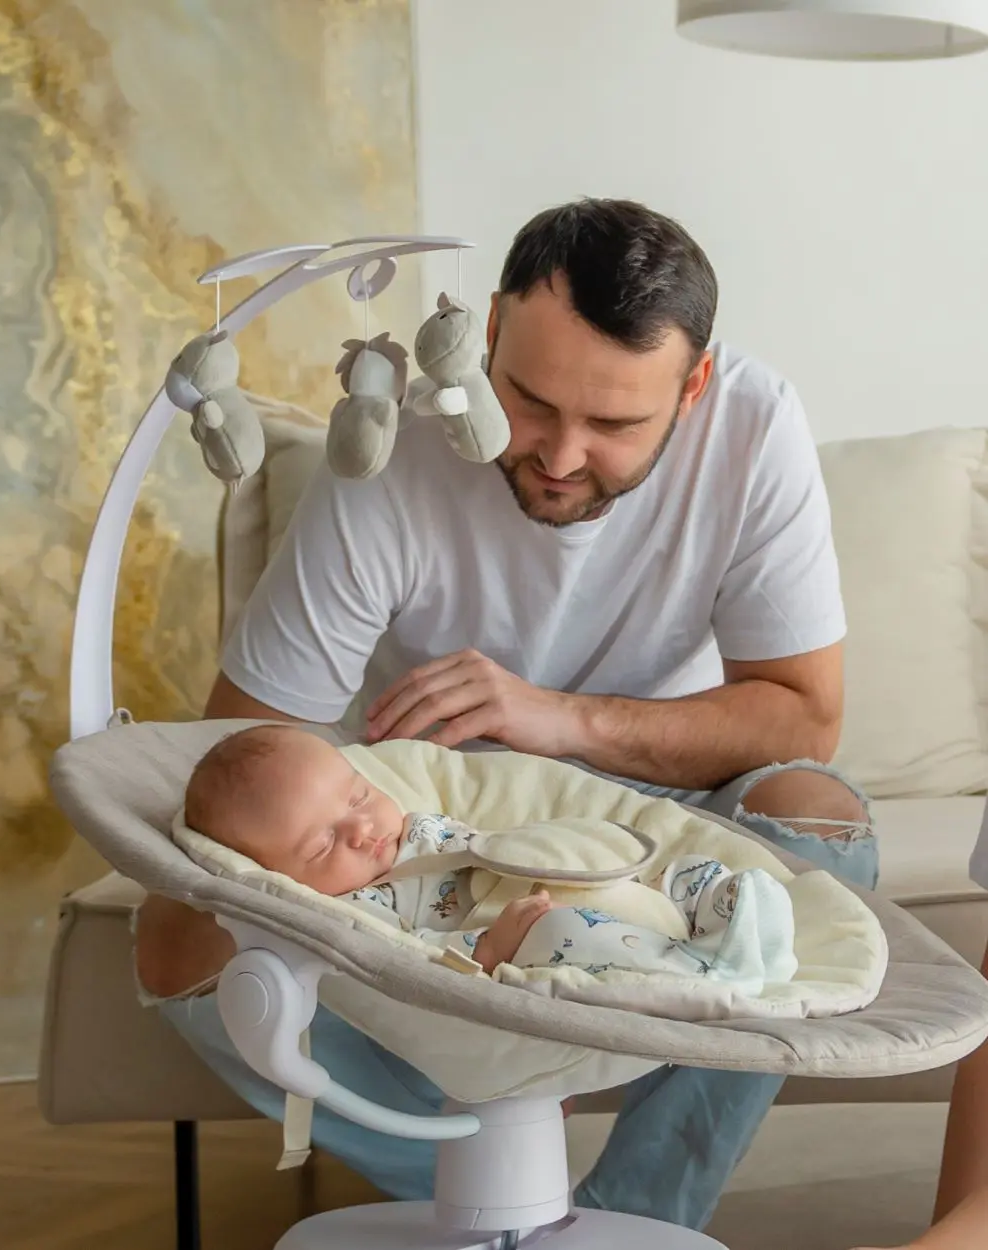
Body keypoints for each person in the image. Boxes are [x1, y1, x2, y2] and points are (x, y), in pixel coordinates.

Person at [135, 197, 877, 1231]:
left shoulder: (755, 428)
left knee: (820, 817)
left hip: (659, 813)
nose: (561, 455)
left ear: (694, 386)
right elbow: (234, 756)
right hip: (431, 833)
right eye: (528, 400)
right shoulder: (387, 448)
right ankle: (499, 1192)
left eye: (614, 425)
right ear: (487, 332)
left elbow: (804, 718)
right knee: (177, 937)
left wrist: (557, 718)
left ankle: (636, 1214)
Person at [181, 723, 797, 986]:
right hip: (540, 930)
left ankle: (734, 920)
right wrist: (490, 949)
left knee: (692, 872)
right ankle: (704, 972)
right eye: (322, 845)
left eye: (359, 797)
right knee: (563, 934)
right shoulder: (361, 909)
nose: (363, 829)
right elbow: (417, 961)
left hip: (589, 881)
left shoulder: (419, 824)